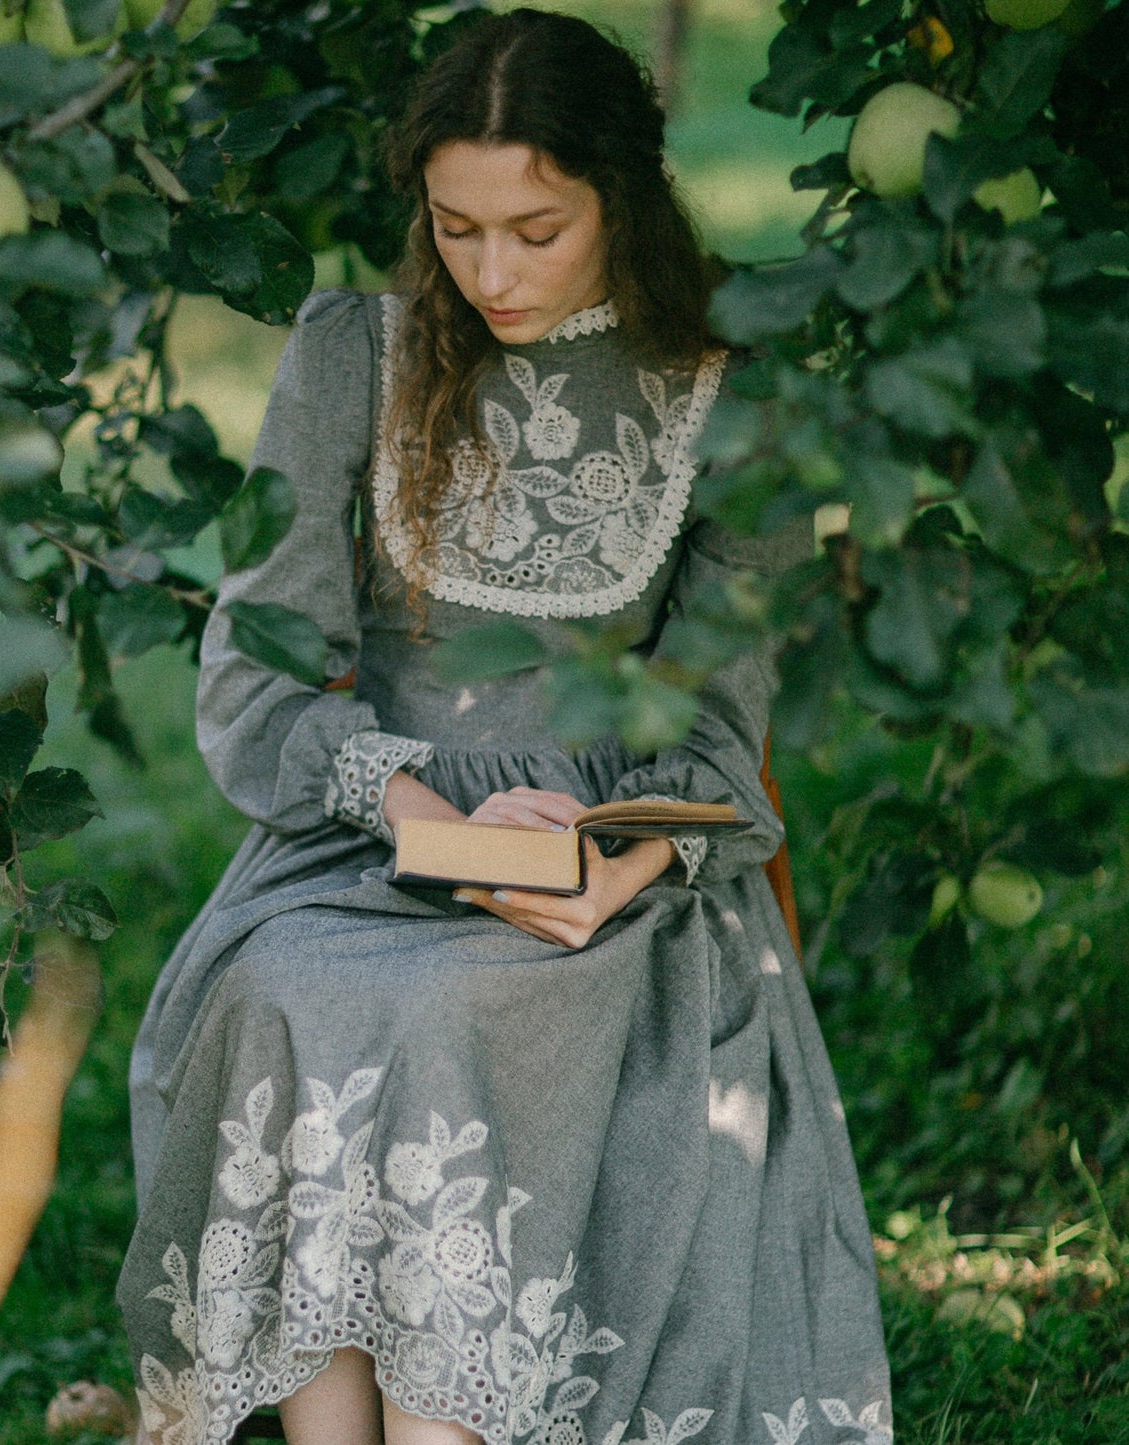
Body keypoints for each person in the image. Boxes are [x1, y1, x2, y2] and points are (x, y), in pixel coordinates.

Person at [118, 10, 891, 1445]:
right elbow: (253, 672)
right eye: (456, 227)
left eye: (537, 228)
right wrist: (425, 817)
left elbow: (721, 736)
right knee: (291, 985)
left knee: (466, 1004)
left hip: (604, 882)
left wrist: (619, 861)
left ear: (623, 198)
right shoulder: (359, 351)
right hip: (365, 835)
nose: (491, 273)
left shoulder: (735, 392)